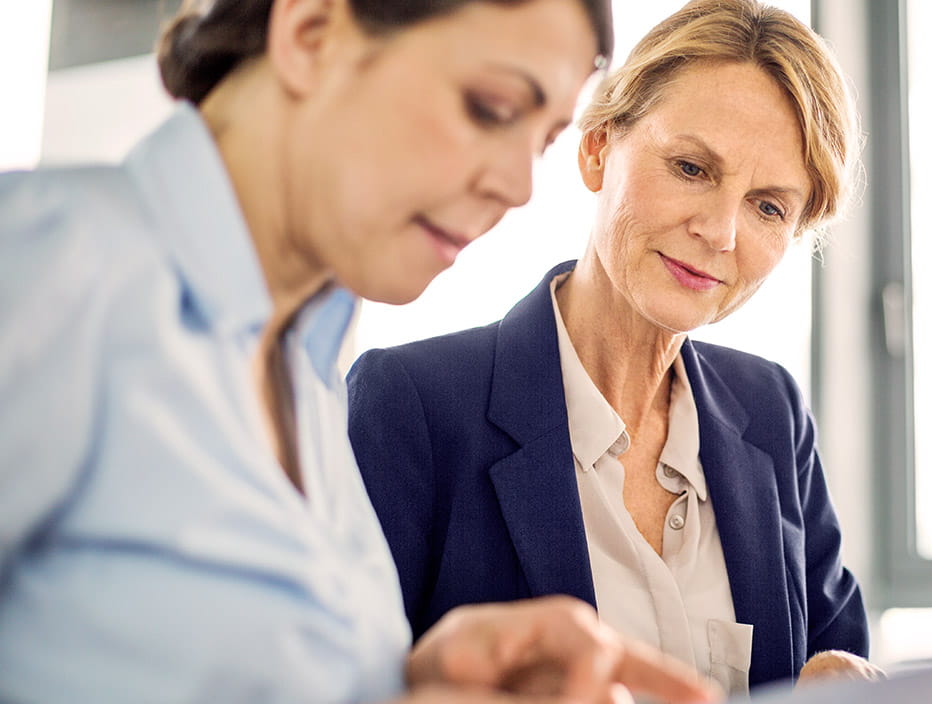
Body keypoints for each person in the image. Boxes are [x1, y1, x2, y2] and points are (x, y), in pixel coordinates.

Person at [0, 1, 720, 703]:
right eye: (490, 108)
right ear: (311, 33)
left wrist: (410, 677)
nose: (518, 186)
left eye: (541, 142)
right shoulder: (47, 264)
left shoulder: (304, 372)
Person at [347, 0, 884, 697]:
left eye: (769, 206)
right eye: (692, 168)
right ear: (598, 147)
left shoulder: (773, 412)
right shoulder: (409, 404)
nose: (720, 231)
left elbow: (836, 654)